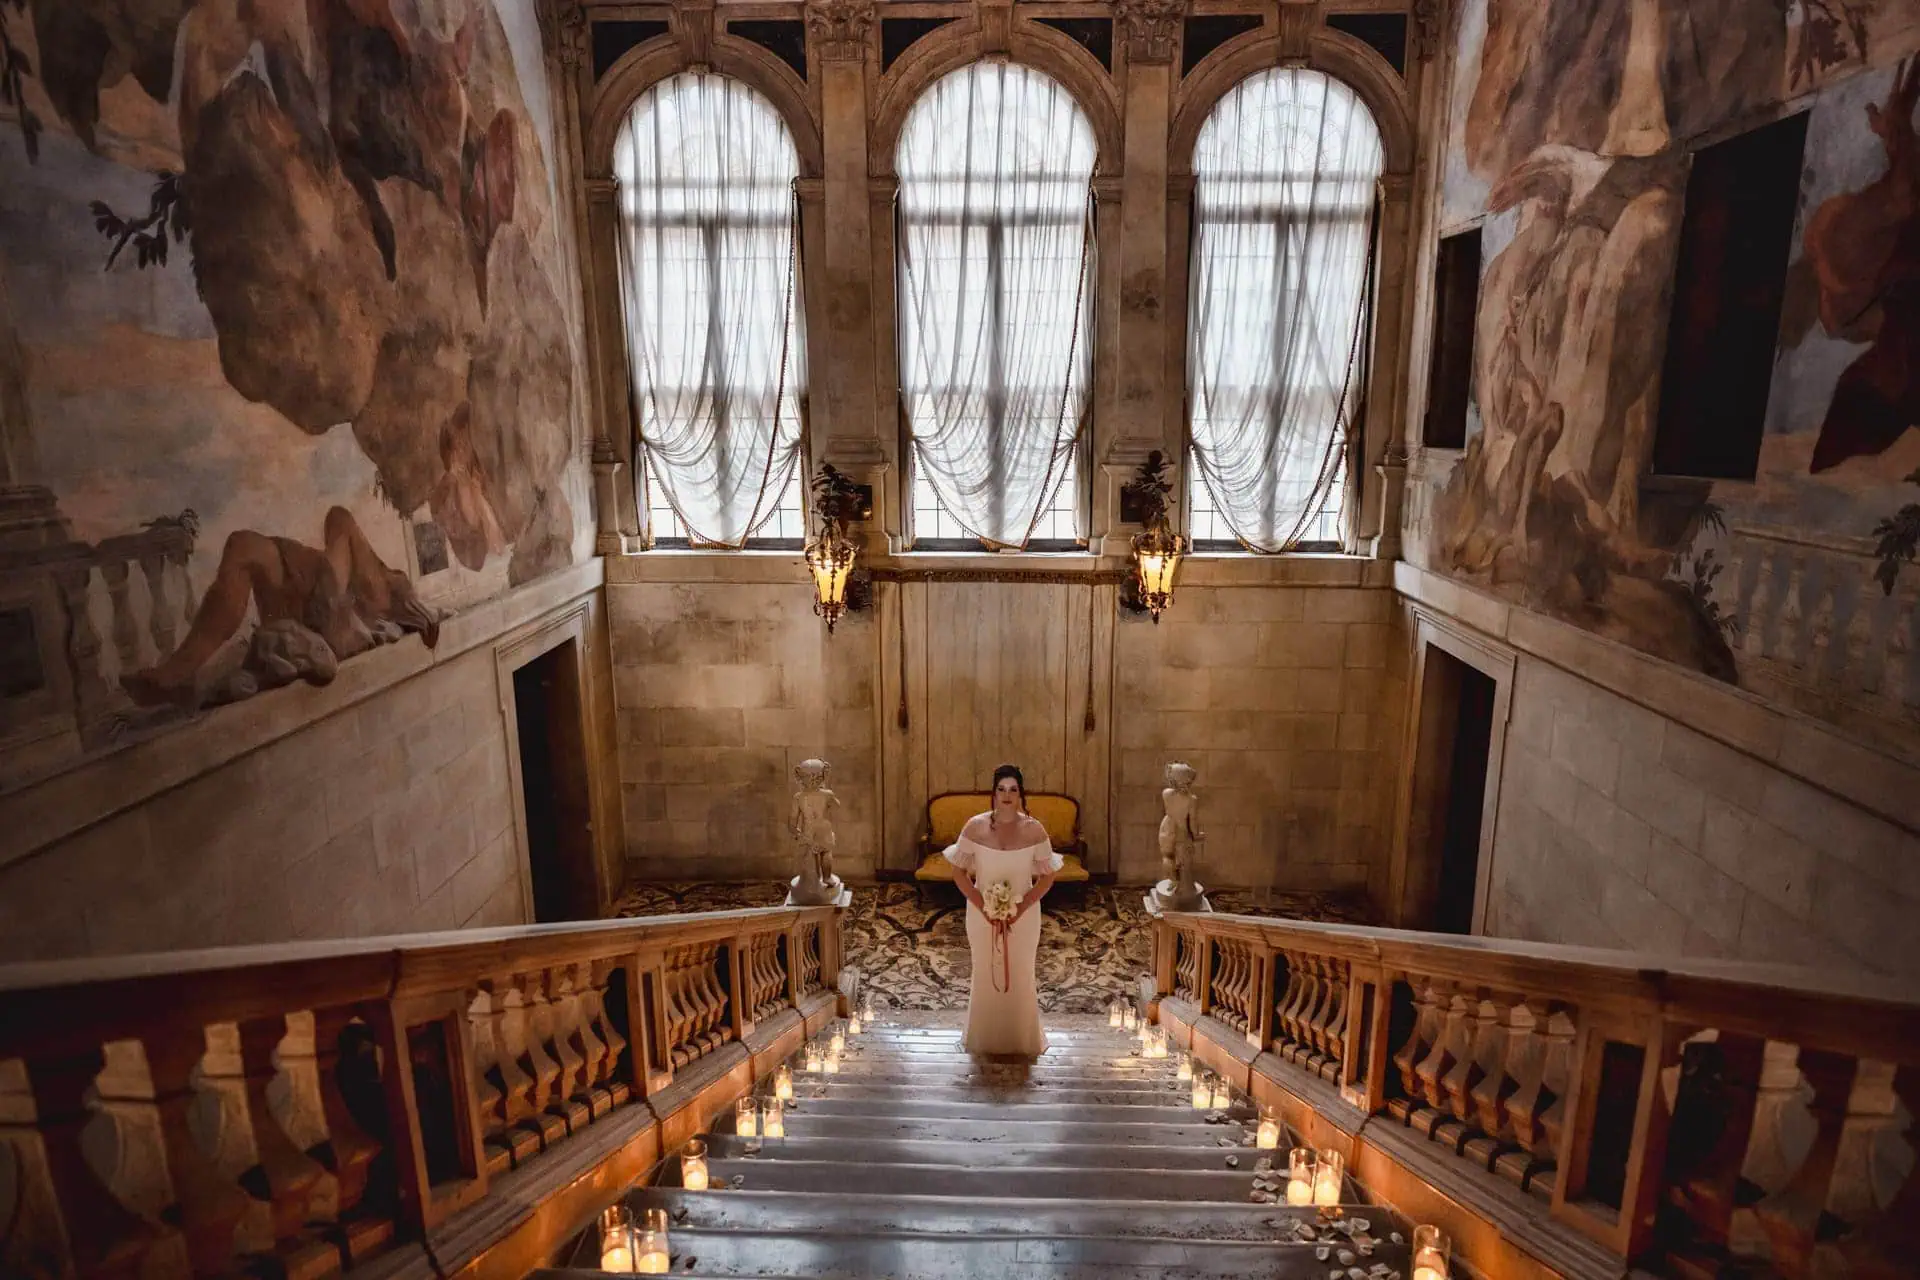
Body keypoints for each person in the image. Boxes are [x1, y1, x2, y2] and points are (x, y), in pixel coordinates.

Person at [944, 764, 1062, 1057]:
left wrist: (1020, 907)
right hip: (981, 915)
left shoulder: (1035, 829)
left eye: (1013, 789)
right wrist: (984, 906)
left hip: (1024, 916)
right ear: (993, 793)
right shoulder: (975, 826)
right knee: (984, 971)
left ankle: (1022, 1040)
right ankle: (983, 1039)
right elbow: (959, 874)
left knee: (1021, 971)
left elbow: (1047, 876)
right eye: (1001, 789)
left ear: (1021, 794)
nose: (1007, 795)